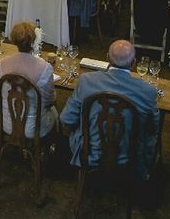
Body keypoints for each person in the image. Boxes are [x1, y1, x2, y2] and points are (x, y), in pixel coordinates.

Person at [60, 40, 160, 179]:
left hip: (90, 154)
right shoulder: (148, 91)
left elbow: (66, 119)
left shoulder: (86, 81)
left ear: (107, 58)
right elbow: (153, 128)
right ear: (133, 64)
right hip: (130, 159)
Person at [0, 22, 57, 139]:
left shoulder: (1, 64)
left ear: (13, 40)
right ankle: (52, 146)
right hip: (34, 128)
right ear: (34, 40)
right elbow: (49, 100)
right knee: (55, 112)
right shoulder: (45, 68)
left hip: (7, 124)